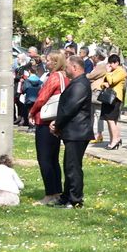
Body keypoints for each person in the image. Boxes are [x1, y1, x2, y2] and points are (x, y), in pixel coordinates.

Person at [50, 55, 93, 208]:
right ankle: (66, 196)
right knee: (69, 166)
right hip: (73, 131)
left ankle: (76, 200)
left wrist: (57, 124)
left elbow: (70, 108)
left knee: (73, 167)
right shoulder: (77, 82)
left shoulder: (80, 84)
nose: (65, 69)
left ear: (74, 67)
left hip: (77, 131)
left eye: (67, 67)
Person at [28, 51, 69, 206]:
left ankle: (50, 193)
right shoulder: (65, 77)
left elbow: (42, 98)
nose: (46, 62)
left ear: (56, 62)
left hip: (45, 121)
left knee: (44, 158)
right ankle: (57, 191)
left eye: (49, 60)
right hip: (56, 121)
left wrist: (32, 111)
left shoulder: (54, 77)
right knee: (53, 158)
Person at [100, 53, 127, 150]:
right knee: (109, 120)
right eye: (109, 63)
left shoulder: (121, 71)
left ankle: (115, 141)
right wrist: (104, 84)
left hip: (115, 98)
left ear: (117, 63)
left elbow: (112, 81)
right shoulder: (112, 71)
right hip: (108, 98)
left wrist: (108, 73)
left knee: (111, 120)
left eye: (112, 63)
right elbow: (103, 83)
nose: (110, 65)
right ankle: (114, 139)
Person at [86, 48, 108, 143]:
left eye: (95, 55)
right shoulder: (99, 65)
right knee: (93, 114)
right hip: (94, 91)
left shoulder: (101, 66)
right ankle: (92, 134)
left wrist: (88, 76)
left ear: (98, 56)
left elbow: (91, 76)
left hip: (97, 92)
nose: (94, 57)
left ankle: (99, 134)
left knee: (98, 114)